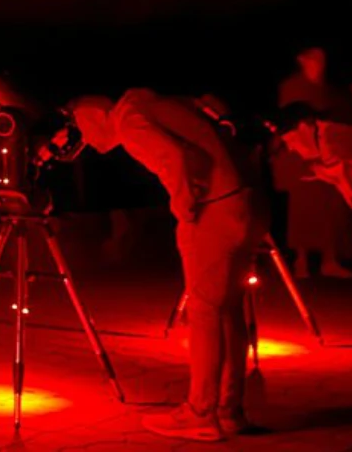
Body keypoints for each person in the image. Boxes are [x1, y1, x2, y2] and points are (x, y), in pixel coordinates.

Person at [67, 90, 268, 442]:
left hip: (217, 207)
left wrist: (184, 207)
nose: (83, 139)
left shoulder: (128, 120)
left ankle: (200, 413)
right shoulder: (151, 104)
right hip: (248, 201)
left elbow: (174, 158)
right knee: (229, 310)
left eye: (80, 127)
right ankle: (229, 409)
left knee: (205, 312)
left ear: (94, 115)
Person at [273, 102, 352, 375]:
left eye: (290, 140)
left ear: (304, 126)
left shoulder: (334, 138)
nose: (292, 149)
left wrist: (326, 170)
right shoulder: (331, 145)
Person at [274, 48, 352, 278]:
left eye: (321, 58)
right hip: (300, 156)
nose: (318, 63)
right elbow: (290, 119)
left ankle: (329, 259)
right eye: (313, 58)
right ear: (302, 60)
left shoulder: (330, 89)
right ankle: (301, 260)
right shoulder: (291, 86)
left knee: (330, 208)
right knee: (302, 210)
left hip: (326, 153)